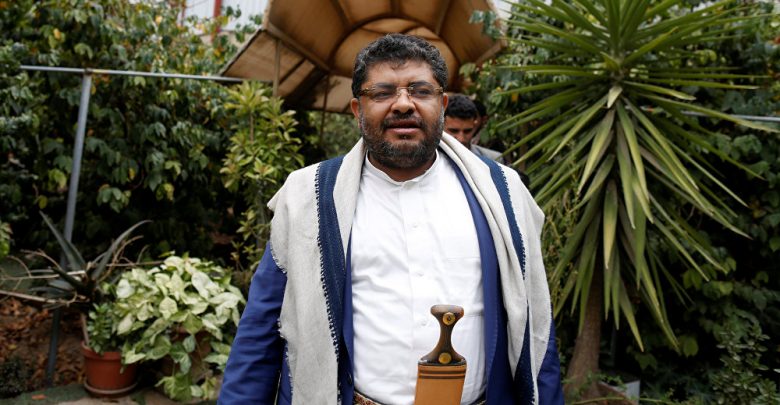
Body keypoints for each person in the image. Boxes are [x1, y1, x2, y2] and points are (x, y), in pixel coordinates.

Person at [219, 34, 563, 405]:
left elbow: (536, 327)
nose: (403, 104)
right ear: (357, 109)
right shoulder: (310, 198)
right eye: (382, 93)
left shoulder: (501, 193)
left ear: (442, 104)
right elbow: (261, 331)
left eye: (421, 91)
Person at [445, 94, 505, 164]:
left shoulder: (493, 159)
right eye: (454, 131)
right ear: (440, 126)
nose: (461, 139)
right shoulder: (432, 161)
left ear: (475, 124)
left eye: (467, 131)